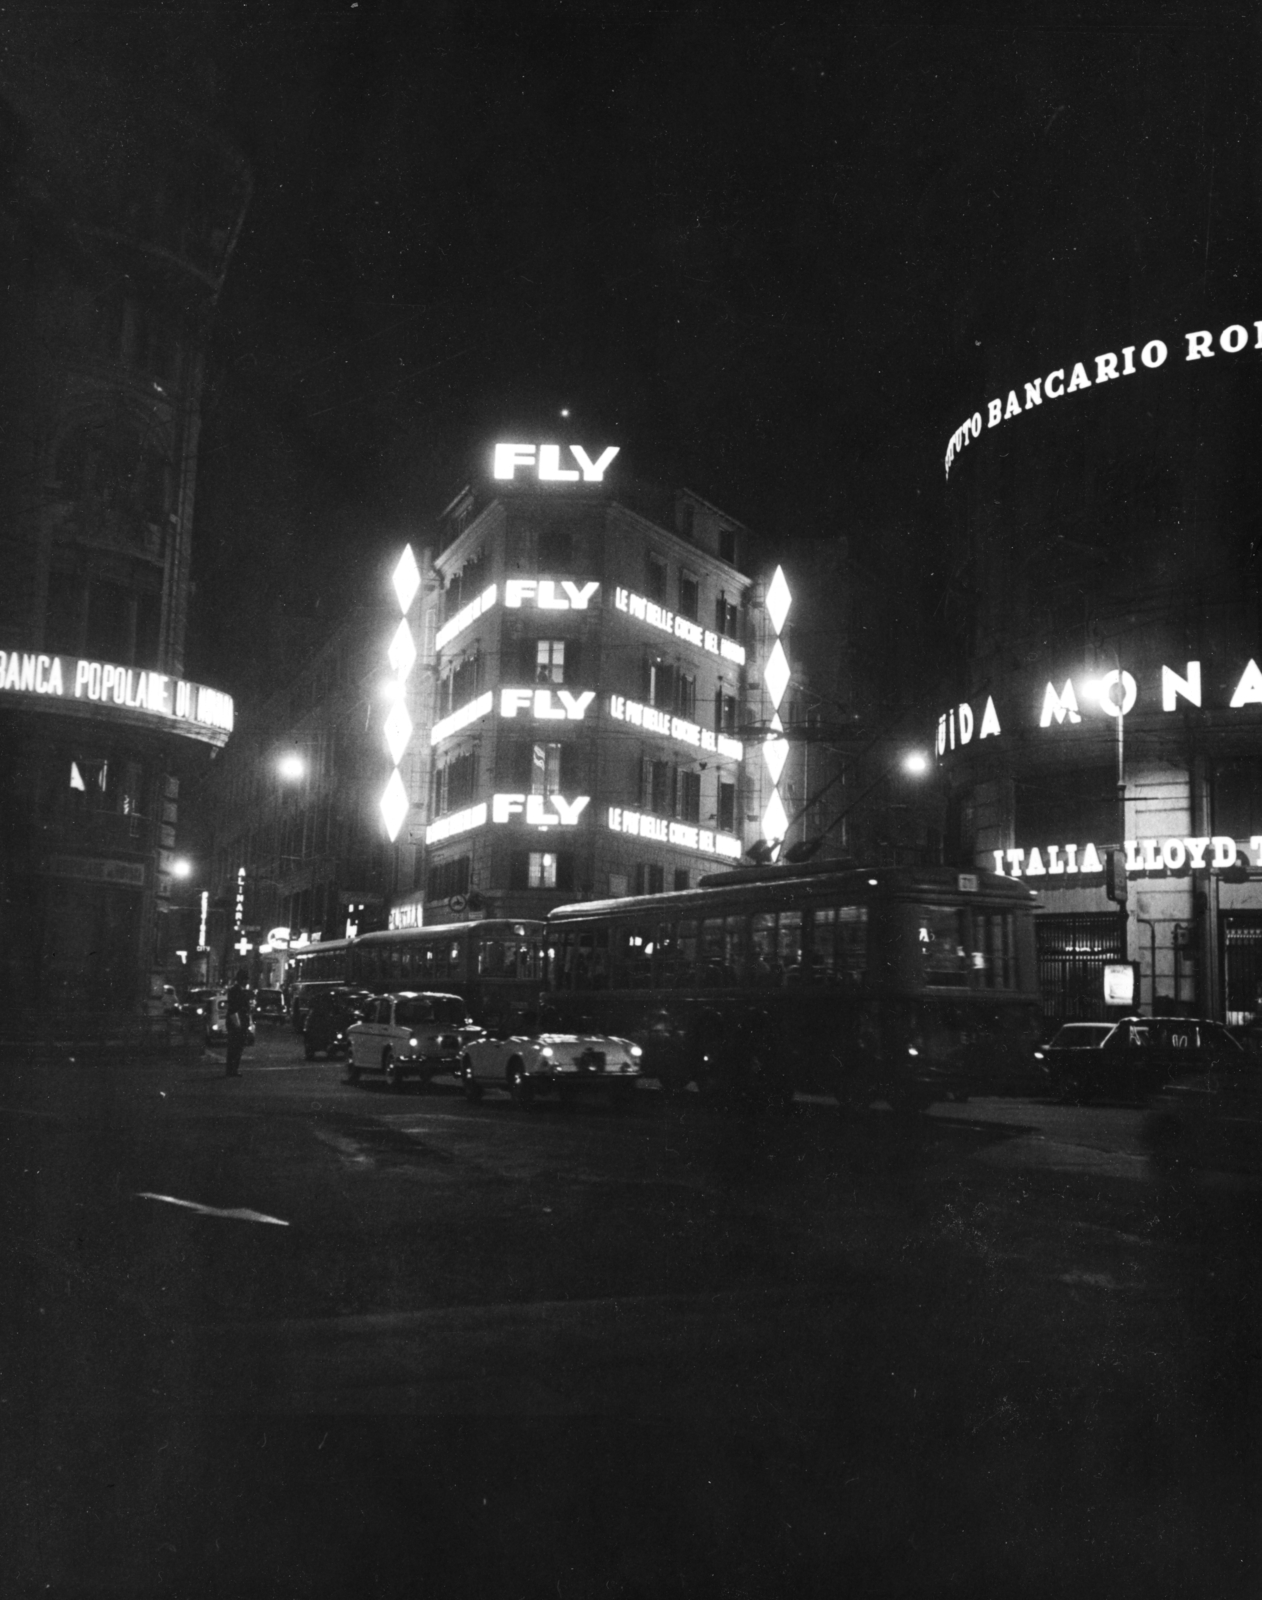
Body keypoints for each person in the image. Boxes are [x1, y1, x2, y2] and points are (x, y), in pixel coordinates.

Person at [225, 967, 252, 1077]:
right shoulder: (236, 991)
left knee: (236, 1047)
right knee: (235, 1047)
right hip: (237, 1021)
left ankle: (232, 1069)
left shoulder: (237, 990)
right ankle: (232, 1070)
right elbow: (235, 1007)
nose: (246, 982)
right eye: (245, 979)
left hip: (237, 1020)